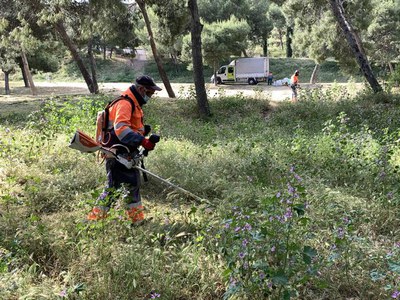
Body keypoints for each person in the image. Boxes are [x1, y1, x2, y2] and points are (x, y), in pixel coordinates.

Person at [87, 75, 162, 223]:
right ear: (141, 89)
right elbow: (121, 130)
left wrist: (142, 133)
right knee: (112, 189)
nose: (150, 96)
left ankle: (136, 221)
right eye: (150, 93)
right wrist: (142, 140)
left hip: (126, 154)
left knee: (132, 185)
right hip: (117, 155)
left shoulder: (133, 103)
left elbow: (130, 127)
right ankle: (94, 221)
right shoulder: (125, 104)